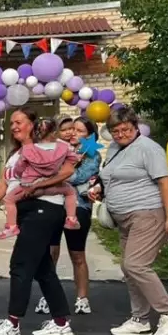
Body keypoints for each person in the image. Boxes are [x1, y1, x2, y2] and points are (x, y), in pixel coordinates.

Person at [0, 107, 75, 335]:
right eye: (11, 124)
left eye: (19, 122)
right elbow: (3, 185)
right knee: (42, 269)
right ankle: (61, 323)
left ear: (33, 124)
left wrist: (37, 186)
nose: (14, 126)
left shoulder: (49, 147)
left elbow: (68, 171)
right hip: (27, 210)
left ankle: (13, 324)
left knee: (20, 265)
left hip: (45, 207)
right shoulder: (16, 154)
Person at [91, 106, 168, 335]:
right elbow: (112, 177)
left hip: (147, 214)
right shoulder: (115, 148)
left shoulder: (148, 149)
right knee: (128, 267)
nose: (120, 134)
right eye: (116, 131)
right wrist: (98, 189)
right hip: (124, 219)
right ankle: (140, 320)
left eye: (125, 129)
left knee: (136, 264)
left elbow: (165, 183)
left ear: (135, 127)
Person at [36, 117, 101, 316]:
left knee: (77, 254)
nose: (73, 133)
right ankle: (49, 296)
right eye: (72, 129)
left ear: (89, 136)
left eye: (80, 131)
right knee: (50, 253)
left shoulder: (92, 155)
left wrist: (56, 175)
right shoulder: (59, 150)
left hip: (79, 207)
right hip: (53, 205)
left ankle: (82, 299)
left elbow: (77, 177)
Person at [0, 117, 81, 239]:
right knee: (70, 192)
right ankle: (71, 219)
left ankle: (11, 226)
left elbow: (19, 168)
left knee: (9, 200)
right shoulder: (63, 148)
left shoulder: (28, 149)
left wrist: (19, 175)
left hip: (29, 187)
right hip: (53, 186)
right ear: (54, 132)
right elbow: (73, 158)